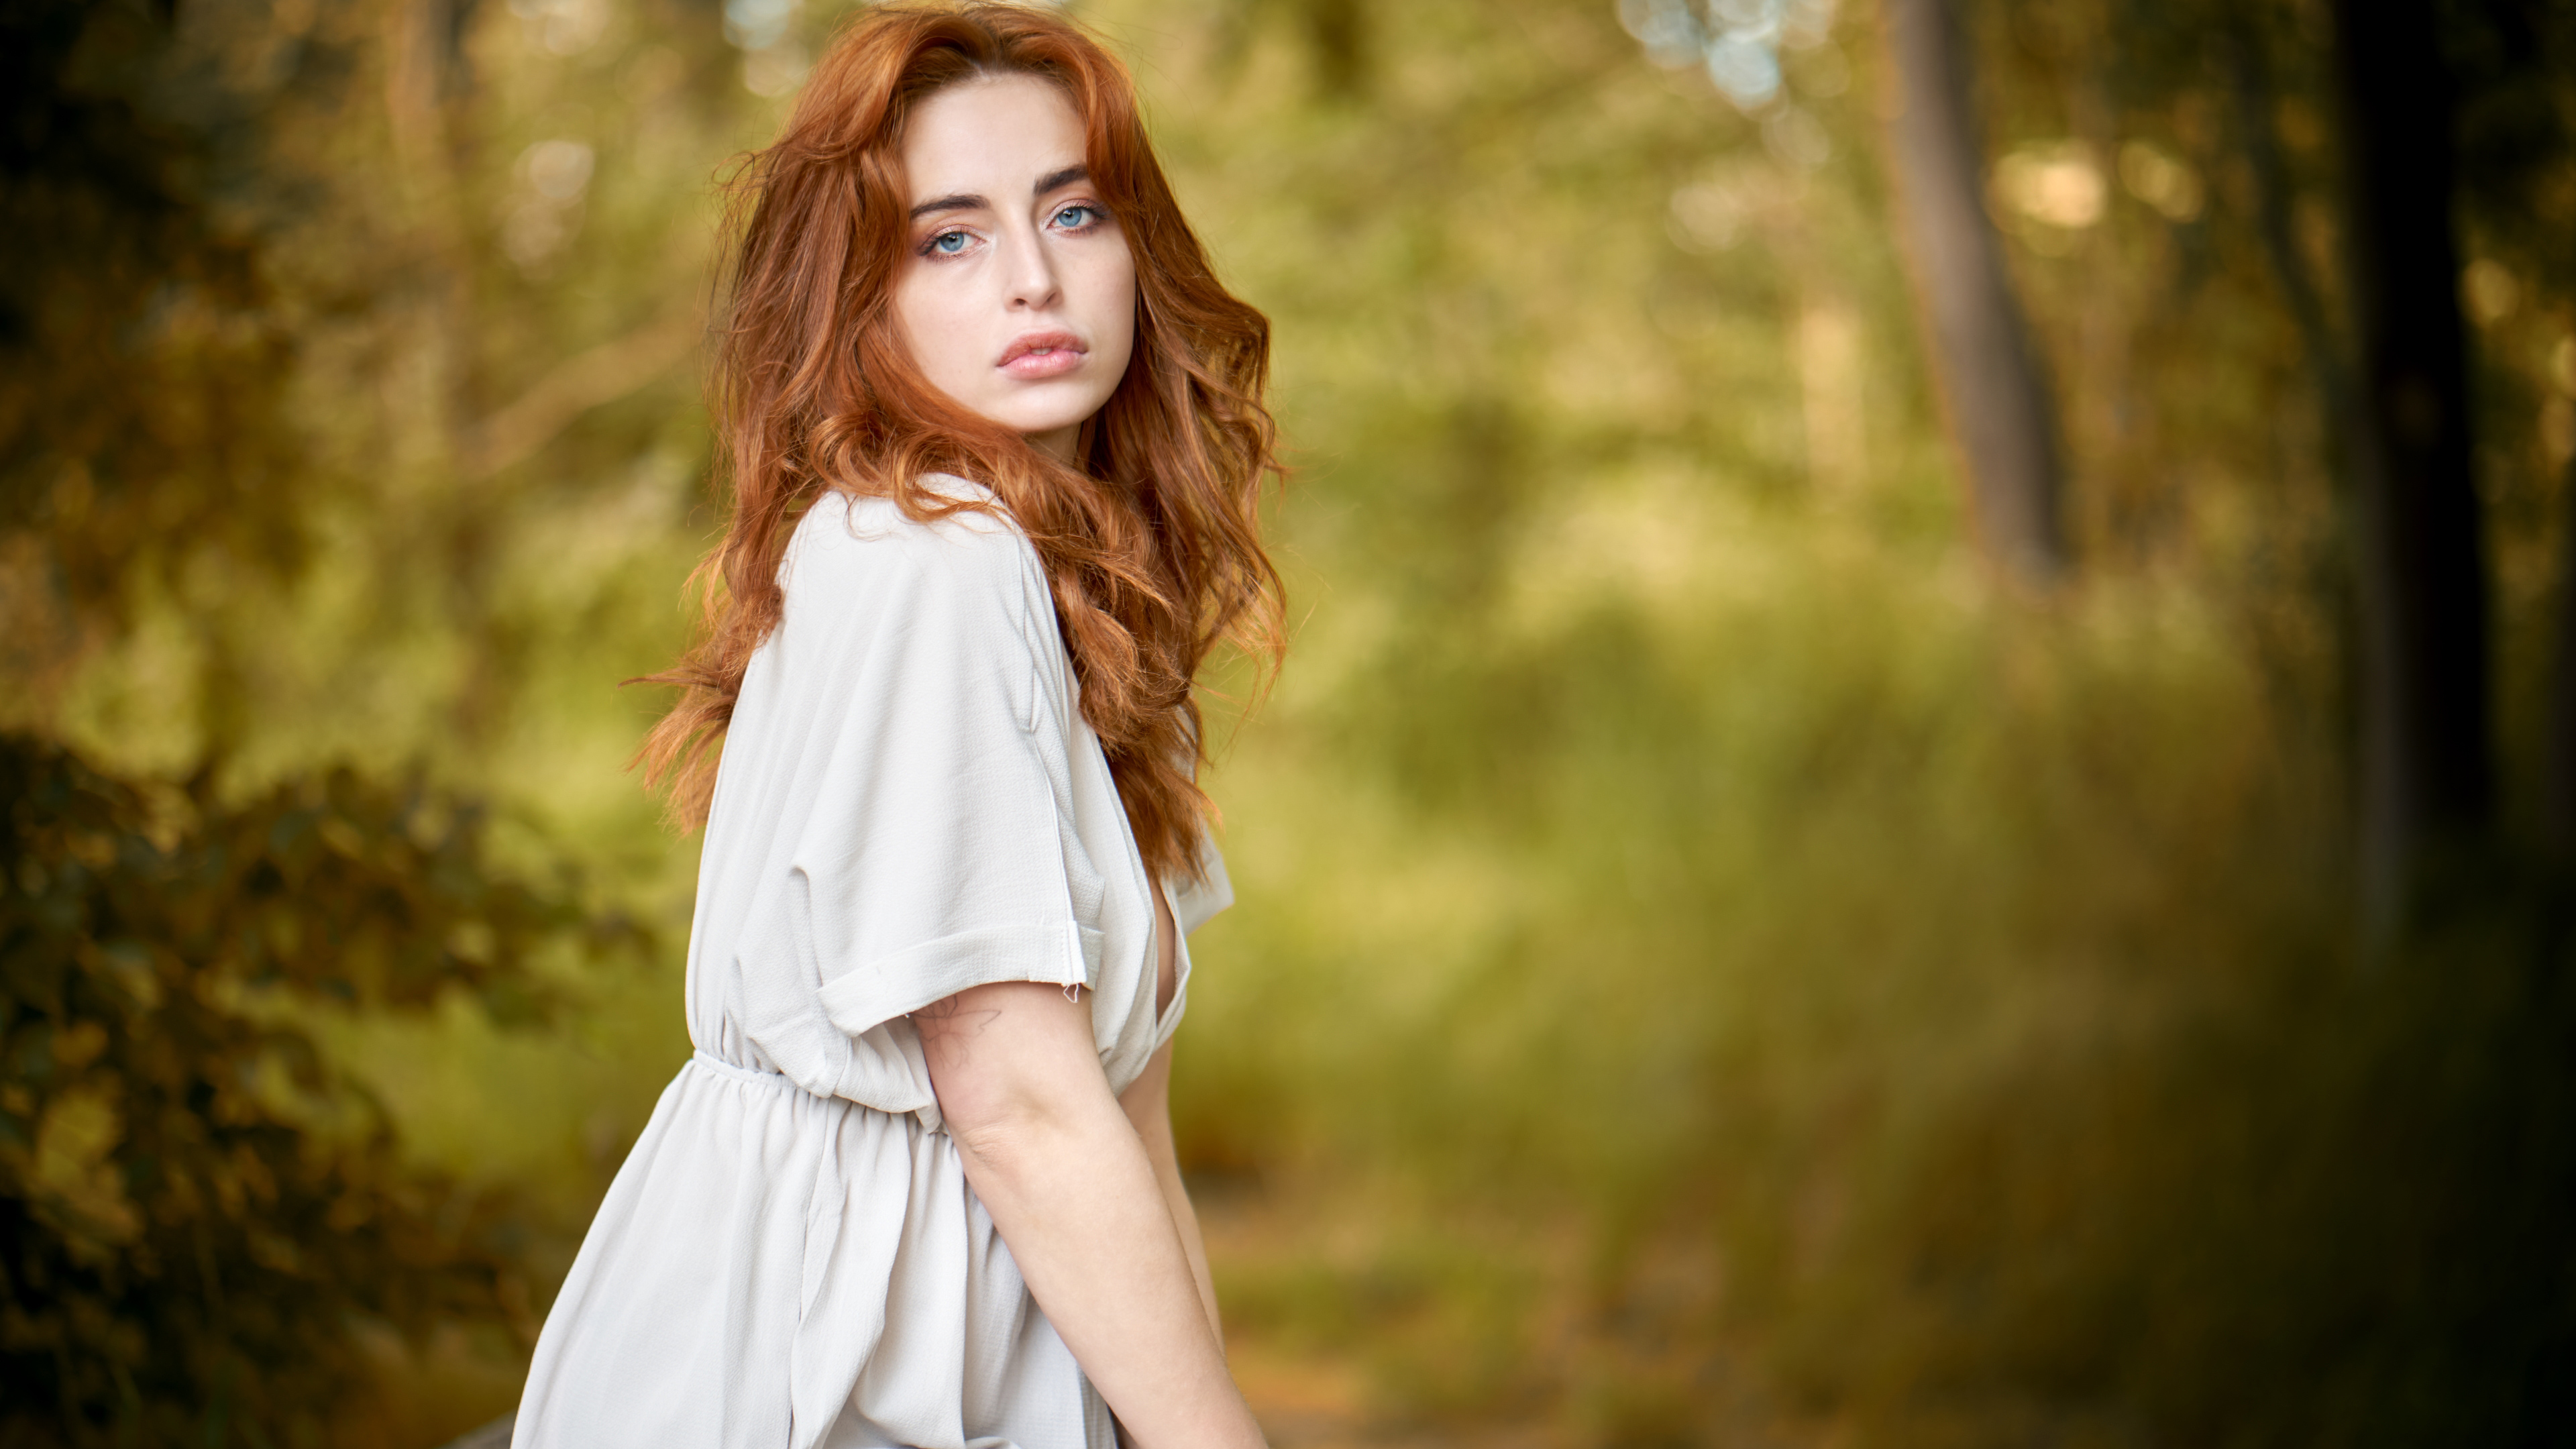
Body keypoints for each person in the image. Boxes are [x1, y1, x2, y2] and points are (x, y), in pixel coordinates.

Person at [509, 5, 1283, 1446]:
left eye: (1075, 213)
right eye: (952, 238)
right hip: (826, 1359)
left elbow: (1130, 1128)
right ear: (857, 296)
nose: (1035, 280)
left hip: (1012, 1339)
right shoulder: (927, 558)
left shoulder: (1087, 602)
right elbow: (1015, 1100)